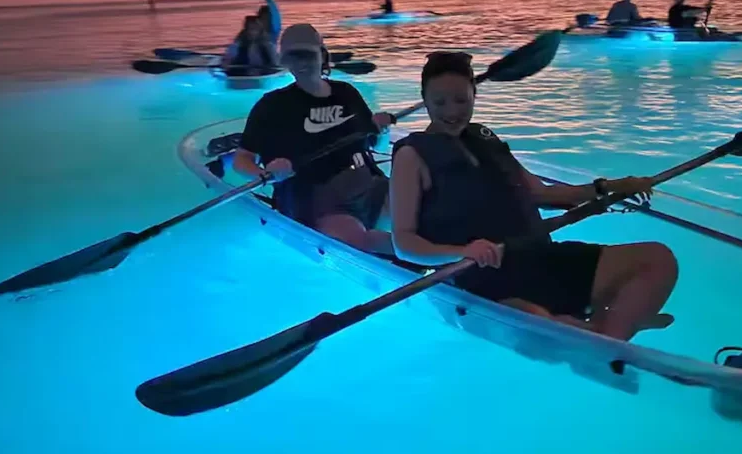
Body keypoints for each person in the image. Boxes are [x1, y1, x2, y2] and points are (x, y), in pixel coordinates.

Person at [389, 51, 678, 341]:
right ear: (424, 99)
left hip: (539, 258)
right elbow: (404, 243)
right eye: (439, 102)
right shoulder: (411, 156)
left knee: (658, 259)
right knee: (549, 326)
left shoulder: (483, 139)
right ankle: (614, 327)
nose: (451, 111)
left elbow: (541, 193)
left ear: (474, 94)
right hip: (485, 279)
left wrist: (608, 187)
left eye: (461, 100)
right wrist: (462, 251)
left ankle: (608, 330)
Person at [233, 23, 396, 253]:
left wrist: (383, 131)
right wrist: (265, 173)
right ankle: (432, 262)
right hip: (317, 201)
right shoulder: (271, 106)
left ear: (322, 55)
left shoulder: (346, 93)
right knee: (358, 243)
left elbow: (375, 145)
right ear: (285, 60)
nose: (301, 63)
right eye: (293, 56)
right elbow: (242, 159)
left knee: (427, 212)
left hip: (369, 186)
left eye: (307, 54)